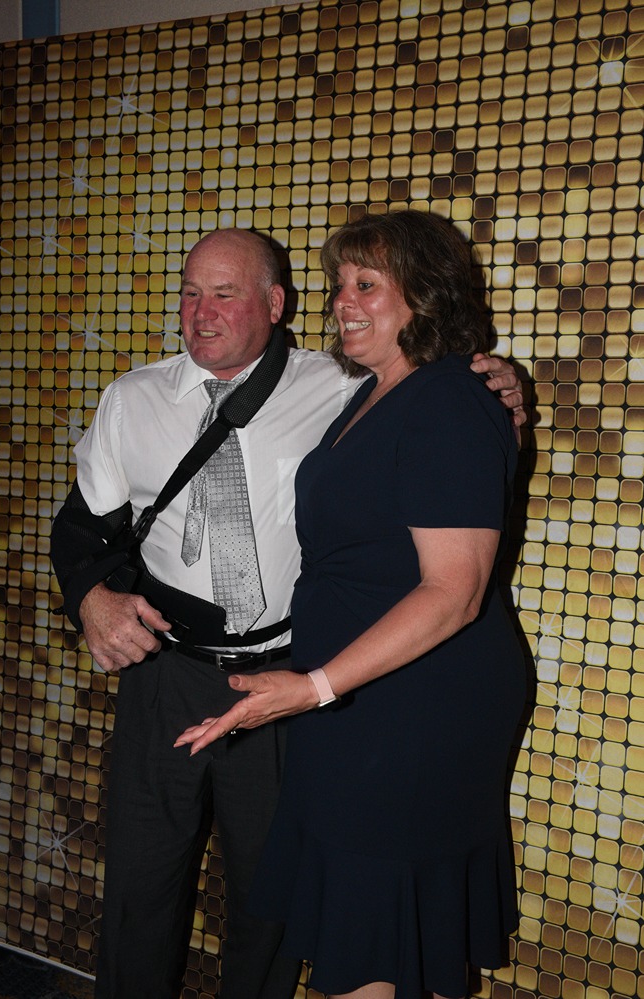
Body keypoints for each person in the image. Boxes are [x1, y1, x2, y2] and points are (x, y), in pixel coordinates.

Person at [50, 225, 525, 999]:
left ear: (273, 304)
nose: (200, 312)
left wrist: (498, 382)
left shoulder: (339, 383)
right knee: (140, 877)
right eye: (190, 292)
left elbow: (447, 434)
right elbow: (80, 528)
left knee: (273, 894)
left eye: (224, 293)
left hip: (296, 675)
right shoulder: (134, 397)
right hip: (172, 670)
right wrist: (91, 599)